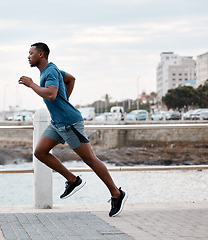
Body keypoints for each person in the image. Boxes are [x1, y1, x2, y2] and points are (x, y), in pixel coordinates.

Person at [18, 42, 128, 217]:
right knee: (40, 152)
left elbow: (51, 94)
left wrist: (31, 84)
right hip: (57, 122)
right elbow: (71, 79)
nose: (28, 56)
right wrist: (65, 100)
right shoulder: (51, 70)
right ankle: (72, 180)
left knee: (90, 159)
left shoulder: (51, 71)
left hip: (69, 123)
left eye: (31, 53)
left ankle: (116, 193)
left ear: (41, 55)